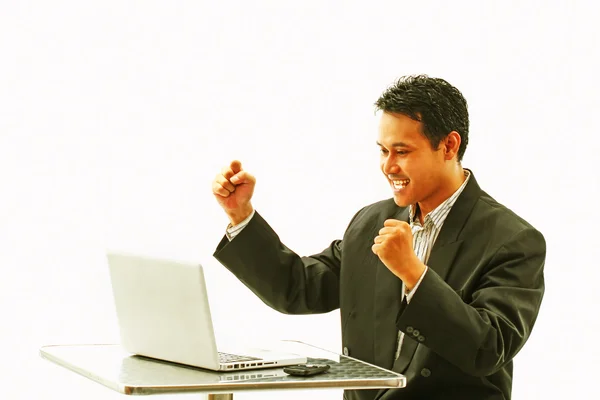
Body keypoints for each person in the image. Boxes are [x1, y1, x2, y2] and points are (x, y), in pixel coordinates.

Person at [211, 75, 545, 400]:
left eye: (402, 151)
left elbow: (488, 348)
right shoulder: (371, 222)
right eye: (383, 151)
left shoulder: (512, 239)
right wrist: (241, 216)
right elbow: (298, 289)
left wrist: (413, 274)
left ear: (449, 145)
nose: (388, 166)